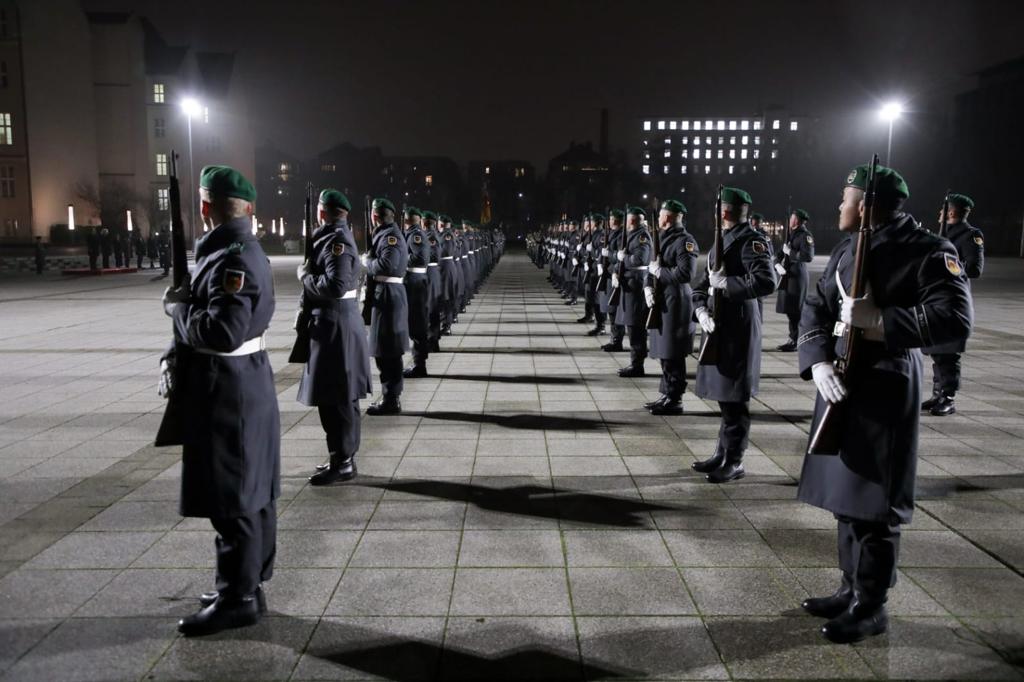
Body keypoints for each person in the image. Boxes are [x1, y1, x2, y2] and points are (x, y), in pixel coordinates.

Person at [796, 164, 972, 643]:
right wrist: (817, 361)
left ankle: (871, 604)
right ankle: (849, 586)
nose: (840, 205)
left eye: (846, 198)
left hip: (884, 385)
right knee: (845, 494)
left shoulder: (929, 250)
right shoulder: (847, 247)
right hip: (839, 377)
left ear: (867, 205)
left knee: (875, 501)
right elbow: (816, 306)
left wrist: (881, 321)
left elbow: (956, 319)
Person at [159, 164, 280, 636]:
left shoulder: (234, 259)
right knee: (252, 491)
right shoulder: (240, 249)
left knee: (233, 496)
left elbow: (223, 331)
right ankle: (247, 584)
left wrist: (179, 309)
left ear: (205, 206)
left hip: (228, 389)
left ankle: (238, 598)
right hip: (242, 383)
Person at [692, 186, 776, 483]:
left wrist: (728, 284)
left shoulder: (752, 241)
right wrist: (699, 309)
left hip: (737, 328)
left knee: (735, 399)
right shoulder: (723, 239)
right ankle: (722, 453)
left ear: (724, 211)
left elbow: (766, 281)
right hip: (718, 324)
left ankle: (735, 460)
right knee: (724, 396)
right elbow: (704, 283)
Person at [294, 189, 372, 486]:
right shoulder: (330, 237)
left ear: (322, 211)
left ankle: (344, 461)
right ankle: (341, 455)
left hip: (336, 326)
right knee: (334, 396)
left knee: (338, 397)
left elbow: (336, 285)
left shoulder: (337, 241)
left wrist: (305, 278)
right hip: (332, 324)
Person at [922, 193, 984, 416]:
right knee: (937, 351)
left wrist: (946, 264)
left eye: (943, 210)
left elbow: (974, 269)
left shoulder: (971, 235)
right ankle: (937, 393)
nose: (939, 214)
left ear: (951, 212)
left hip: (953, 301)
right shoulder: (939, 234)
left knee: (949, 353)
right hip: (935, 298)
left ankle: (948, 397)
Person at [644, 199, 699, 414]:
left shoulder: (685, 241)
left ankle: (675, 399)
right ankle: (667, 393)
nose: (658, 219)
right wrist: (648, 287)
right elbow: (651, 266)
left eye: (660, 215)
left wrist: (660, 272)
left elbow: (686, 273)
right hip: (662, 300)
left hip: (675, 302)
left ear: (667, 217)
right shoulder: (662, 237)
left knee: (673, 352)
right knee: (664, 352)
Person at [363, 198, 410, 415]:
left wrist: (367, 262)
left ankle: (391, 399)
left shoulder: (391, 236)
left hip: (389, 295)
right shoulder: (385, 233)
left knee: (388, 350)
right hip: (386, 294)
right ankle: (390, 396)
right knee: (384, 349)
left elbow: (387, 265)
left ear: (375, 216)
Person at [614, 206, 652, 377]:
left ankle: (638, 365)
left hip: (636, 285)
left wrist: (625, 258)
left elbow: (640, 259)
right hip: (629, 283)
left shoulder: (642, 236)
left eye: (630, 219)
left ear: (633, 220)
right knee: (631, 324)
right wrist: (616, 270)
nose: (628, 222)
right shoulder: (632, 234)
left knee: (636, 326)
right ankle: (635, 362)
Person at [775, 209, 815, 351]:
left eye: (792, 218)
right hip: (787, 276)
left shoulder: (805, 236)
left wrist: (790, 252)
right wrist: (776, 264)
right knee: (789, 309)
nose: (790, 220)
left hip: (797, 277)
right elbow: (779, 253)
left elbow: (807, 256)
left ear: (797, 220)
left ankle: (796, 339)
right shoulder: (791, 234)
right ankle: (793, 338)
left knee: (795, 310)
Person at [402, 207, 432, 377]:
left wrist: (400, 258)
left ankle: (419, 364)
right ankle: (419, 363)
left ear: (407, 220)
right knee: (415, 322)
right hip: (414, 281)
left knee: (417, 323)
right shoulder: (414, 233)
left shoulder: (415, 235)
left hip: (415, 282)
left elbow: (420, 258)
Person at [601, 210, 627, 351]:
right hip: (609, 274)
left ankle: (617, 341)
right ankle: (614, 339)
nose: (610, 222)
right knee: (611, 309)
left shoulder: (621, 235)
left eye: (612, 219)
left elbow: (619, 257)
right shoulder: (612, 233)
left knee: (615, 310)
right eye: (610, 219)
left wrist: (609, 254)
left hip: (615, 275)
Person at [423, 210, 443, 353]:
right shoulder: (432, 235)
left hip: (430, 272)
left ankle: (432, 340)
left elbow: (433, 255)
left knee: (431, 308)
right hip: (432, 273)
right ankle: (433, 339)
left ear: (424, 222)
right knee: (431, 308)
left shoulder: (430, 236)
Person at [585, 213, 607, 336]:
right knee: (592, 297)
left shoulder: (602, 235)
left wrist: (591, 250)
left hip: (598, 269)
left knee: (598, 299)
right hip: (592, 268)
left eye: (592, 222)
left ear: (597, 223)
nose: (590, 224)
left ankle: (601, 326)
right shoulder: (594, 234)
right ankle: (597, 322)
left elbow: (600, 252)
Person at [438, 215, 460, 334]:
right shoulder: (446, 234)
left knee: (446, 297)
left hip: (446, 268)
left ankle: (447, 325)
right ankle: (446, 323)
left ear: (441, 224)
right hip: (446, 267)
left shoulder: (447, 235)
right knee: (444, 296)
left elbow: (447, 251)